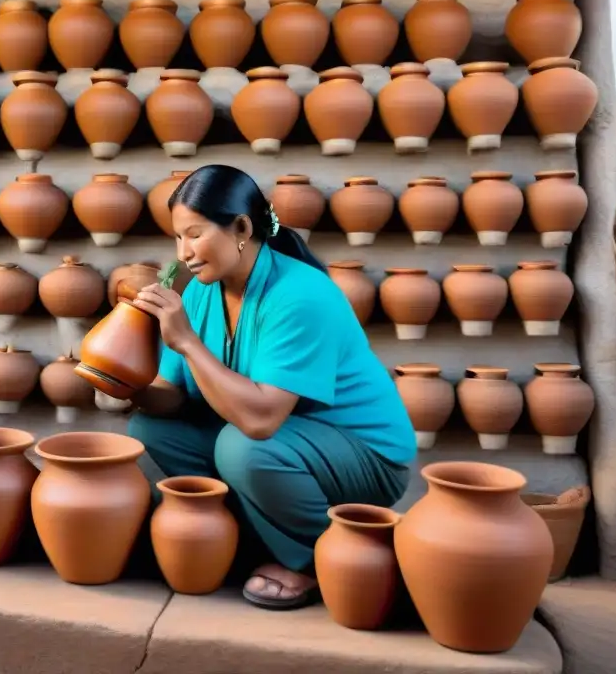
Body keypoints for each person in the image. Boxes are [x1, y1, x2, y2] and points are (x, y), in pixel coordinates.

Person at [127, 164, 416, 610]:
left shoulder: (300, 294)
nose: (183, 253)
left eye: (195, 234)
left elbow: (261, 421)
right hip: (285, 444)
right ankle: (254, 540)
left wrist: (186, 341)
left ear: (242, 227)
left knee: (242, 447)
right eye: (177, 238)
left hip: (365, 458)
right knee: (151, 430)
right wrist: (125, 387)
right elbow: (169, 392)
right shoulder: (202, 290)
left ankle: (321, 558)